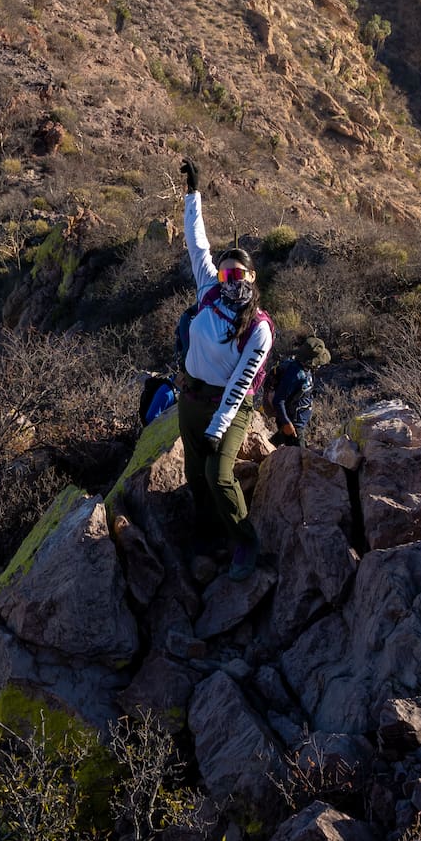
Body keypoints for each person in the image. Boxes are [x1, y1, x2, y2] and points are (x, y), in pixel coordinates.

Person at [177, 155, 274, 582]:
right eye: (225, 271)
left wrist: (218, 426)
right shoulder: (209, 293)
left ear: (252, 279)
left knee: (219, 476)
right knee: (195, 476)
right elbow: (197, 243)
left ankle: (245, 540)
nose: (230, 278)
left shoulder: (258, 328)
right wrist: (193, 193)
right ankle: (207, 531)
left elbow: (240, 384)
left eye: (238, 273)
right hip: (193, 396)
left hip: (231, 408)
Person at [267, 334, 330, 445]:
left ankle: (265, 450)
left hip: (298, 421)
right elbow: (279, 400)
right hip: (293, 424)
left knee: (281, 443)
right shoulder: (295, 374)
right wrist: (287, 423)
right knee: (299, 457)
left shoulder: (305, 369)